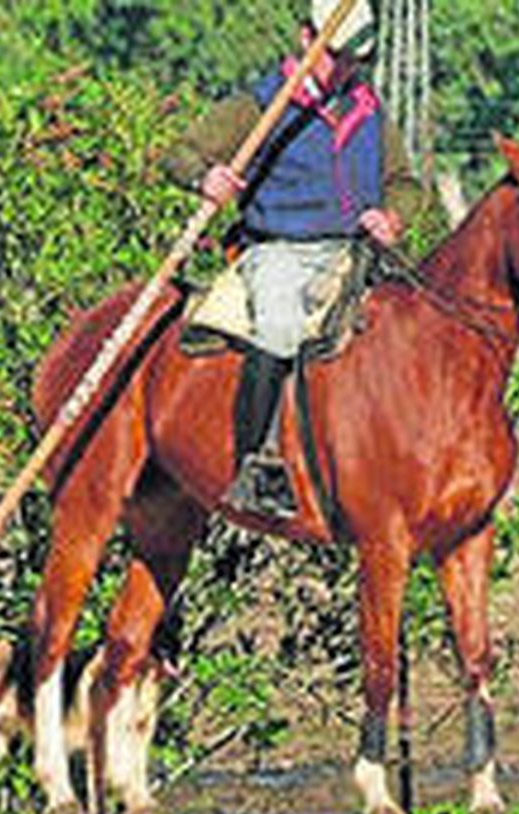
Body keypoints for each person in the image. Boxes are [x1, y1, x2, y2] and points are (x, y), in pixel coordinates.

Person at [164, 0, 436, 519]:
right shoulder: (260, 104)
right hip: (279, 250)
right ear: (307, 36)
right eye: (338, 57)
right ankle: (255, 467)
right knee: (281, 328)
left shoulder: (369, 109)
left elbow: (403, 183)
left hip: (356, 253)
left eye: (356, 60)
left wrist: (392, 217)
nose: (346, 70)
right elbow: (180, 152)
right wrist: (207, 178)